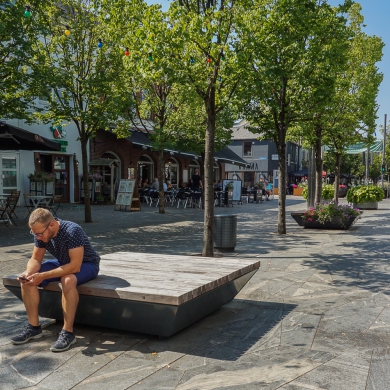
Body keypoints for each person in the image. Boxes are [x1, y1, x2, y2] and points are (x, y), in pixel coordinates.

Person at [11, 208, 100, 352]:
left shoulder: (72, 230)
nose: (38, 237)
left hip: (86, 264)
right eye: (35, 234)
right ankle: (34, 327)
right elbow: (35, 258)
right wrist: (28, 273)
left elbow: (75, 266)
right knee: (27, 280)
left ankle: (67, 332)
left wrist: (43, 276)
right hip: (63, 262)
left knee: (68, 280)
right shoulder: (40, 232)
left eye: (40, 234)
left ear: (51, 225)